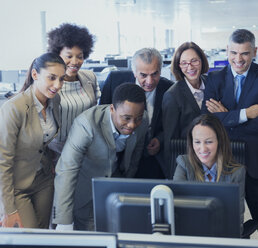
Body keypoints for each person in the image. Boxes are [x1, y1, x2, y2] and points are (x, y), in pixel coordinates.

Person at [202, 29, 258, 240]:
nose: (238, 59)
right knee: (225, 225)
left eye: (244, 53)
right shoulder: (214, 79)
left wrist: (228, 119)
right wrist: (246, 114)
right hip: (224, 164)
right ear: (227, 50)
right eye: (233, 53)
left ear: (254, 51)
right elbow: (208, 120)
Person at [52, 83, 148, 231]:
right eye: (126, 118)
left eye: (138, 118)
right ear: (112, 109)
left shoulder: (143, 120)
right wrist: (63, 221)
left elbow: (135, 157)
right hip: (84, 193)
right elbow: (67, 169)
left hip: (116, 194)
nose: (132, 125)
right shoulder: (86, 124)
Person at [0, 53, 66, 228]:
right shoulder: (14, 108)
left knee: (43, 234)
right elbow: (2, 161)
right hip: (17, 186)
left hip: (43, 179)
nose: (57, 85)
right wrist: (8, 209)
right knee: (27, 236)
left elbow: (43, 142)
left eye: (61, 79)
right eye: (51, 78)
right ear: (35, 75)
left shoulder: (55, 100)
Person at [100, 48, 173, 179]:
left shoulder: (169, 88)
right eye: (143, 75)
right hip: (117, 153)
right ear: (134, 72)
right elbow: (101, 117)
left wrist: (160, 139)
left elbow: (172, 123)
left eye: (155, 74)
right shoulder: (114, 81)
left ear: (161, 71)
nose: (150, 81)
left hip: (151, 155)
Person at [173, 114, 245, 234]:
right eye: (197, 142)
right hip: (190, 236)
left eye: (209, 142)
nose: (202, 149)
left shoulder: (236, 173)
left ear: (220, 141)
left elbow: (236, 222)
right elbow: (178, 213)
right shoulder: (183, 164)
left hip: (221, 238)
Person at [47, 23, 100, 157]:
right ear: (57, 55)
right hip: (55, 153)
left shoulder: (90, 78)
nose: (75, 62)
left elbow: (94, 115)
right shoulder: (48, 83)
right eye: (69, 56)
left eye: (80, 56)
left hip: (86, 150)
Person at [162, 42, 209, 177]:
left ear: (202, 61)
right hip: (189, 162)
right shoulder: (172, 96)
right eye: (184, 63)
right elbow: (171, 141)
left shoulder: (212, 84)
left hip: (215, 158)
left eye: (194, 61)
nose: (190, 67)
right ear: (178, 66)